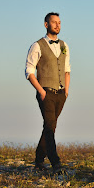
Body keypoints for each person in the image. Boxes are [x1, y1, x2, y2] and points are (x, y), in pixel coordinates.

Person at [25, 12, 71, 174]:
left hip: (61, 93)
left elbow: (67, 70)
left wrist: (66, 91)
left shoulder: (64, 45)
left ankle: (38, 160)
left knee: (50, 126)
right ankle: (55, 163)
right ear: (46, 25)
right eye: (54, 22)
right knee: (50, 126)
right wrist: (40, 91)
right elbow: (29, 72)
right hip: (46, 92)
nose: (58, 25)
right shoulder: (37, 46)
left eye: (59, 22)